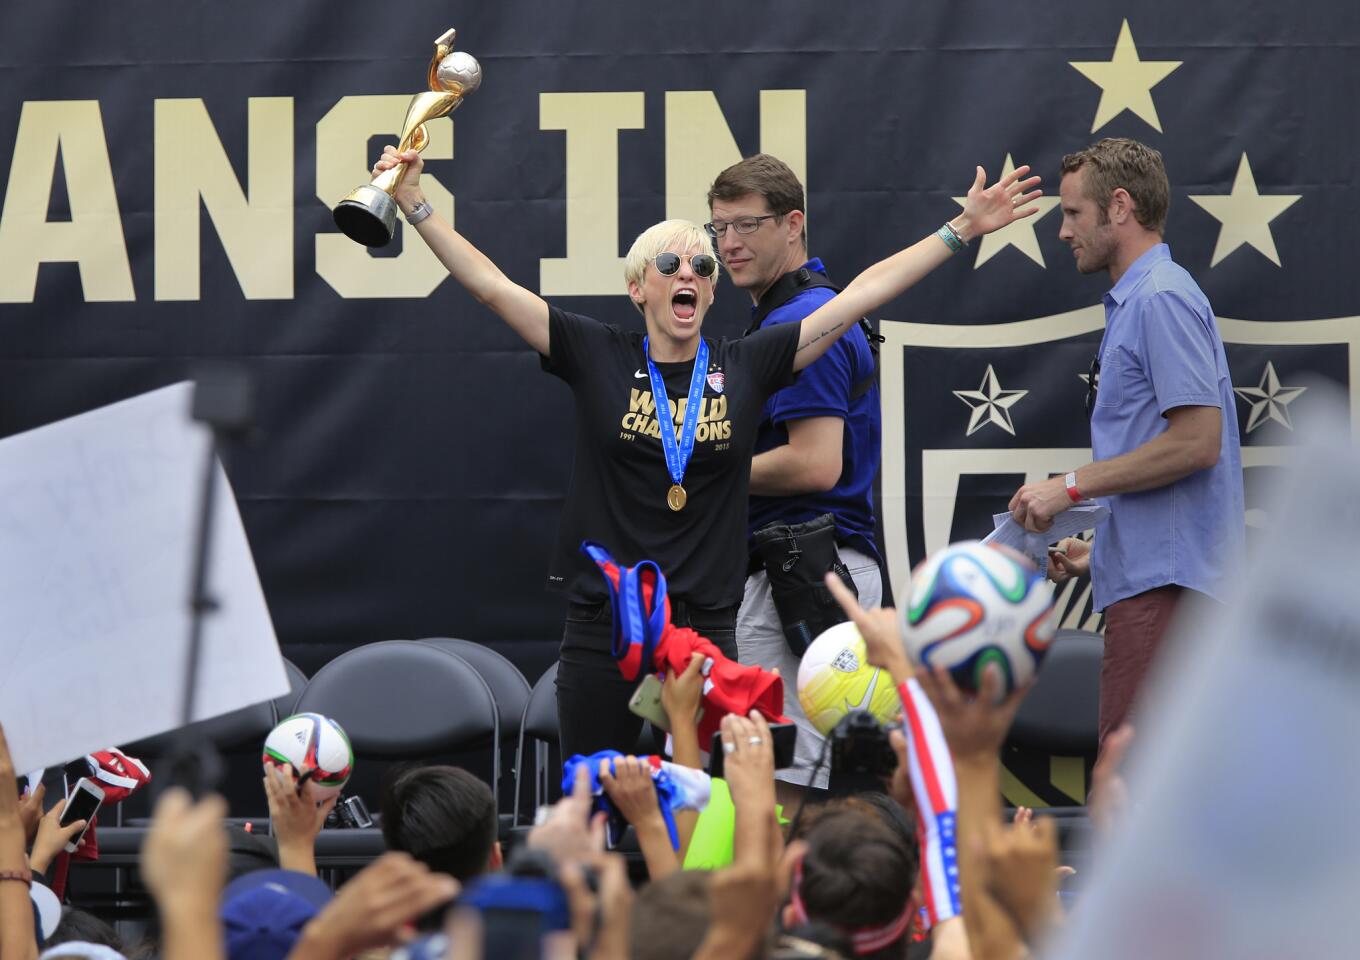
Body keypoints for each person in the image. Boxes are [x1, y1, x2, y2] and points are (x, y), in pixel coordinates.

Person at [372, 143, 1041, 758]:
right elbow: (491, 286)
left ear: (711, 291)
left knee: (709, 801)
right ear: (639, 288)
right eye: (669, 263)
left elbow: (863, 294)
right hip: (608, 619)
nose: (688, 270)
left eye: (702, 265)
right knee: (597, 790)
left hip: (706, 624)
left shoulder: (746, 365)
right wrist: (416, 205)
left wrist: (962, 230)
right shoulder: (596, 352)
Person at [1008, 137, 1244, 751]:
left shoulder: (1160, 298)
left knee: (1127, 790)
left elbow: (1197, 442)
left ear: (1118, 207)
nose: (1062, 232)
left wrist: (1071, 487)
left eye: (1071, 213)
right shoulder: (1144, 298)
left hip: (1162, 593)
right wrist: (1101, 549)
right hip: (1152, 579)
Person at [707, 154, 884, 801]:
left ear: (793, 225)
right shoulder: (803, 312)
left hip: (801, 575)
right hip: (812, 572)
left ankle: (788, 904)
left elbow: (815, 463)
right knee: (816, 782)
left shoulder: (798, 322)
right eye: (718, 228)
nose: (729, 243)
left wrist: (704, 475)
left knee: (783, 787)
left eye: (747, 225)